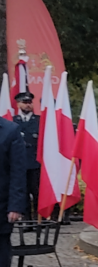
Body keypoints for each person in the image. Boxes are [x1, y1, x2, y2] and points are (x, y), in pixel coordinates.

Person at [0, 117, 27, 267]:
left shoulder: (10, 130)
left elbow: (18, 172)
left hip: (1, 207)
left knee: (0, 258)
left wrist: (16, 206)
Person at [12, 92, 39, 221]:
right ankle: (26, 220)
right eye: (25, 102)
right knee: (23, 193)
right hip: (19, 163)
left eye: (29, 102)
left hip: (35, 163)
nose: (28, 105)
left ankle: (39, 219)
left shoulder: (39, 121)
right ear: (18, 104)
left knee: (37, 192)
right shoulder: (12, 121)